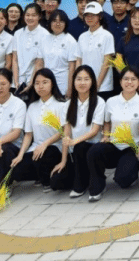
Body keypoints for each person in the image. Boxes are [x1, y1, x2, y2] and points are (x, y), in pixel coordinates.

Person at [87, 67, 139, 202]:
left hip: (132, 147)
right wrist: (106, 136)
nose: (129, 82)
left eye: (133, 79)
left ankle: (132, 175)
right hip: (113, 145)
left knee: (123, 181)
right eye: (126, 79)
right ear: (120, 82)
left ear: (138, 82)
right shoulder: (111, 101)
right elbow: (107, 122)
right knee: (94, 151)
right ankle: (97, 186)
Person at [10, 69, 67, 191]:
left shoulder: (61, 105)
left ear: (52, 84)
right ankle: (40, 175)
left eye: (45, 82)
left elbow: (63, 132)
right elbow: (28, 135)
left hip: (55, 148)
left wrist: (45, 144)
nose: (40, 86)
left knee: (44, 157)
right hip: (36, 149)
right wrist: (20, 155)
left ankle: (46, 180)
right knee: (16, 170)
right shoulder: (32, 107)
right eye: (37, 83)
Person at [56, 65, 105, 197]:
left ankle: (90, 185)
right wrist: (63, 160)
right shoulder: (67, 105)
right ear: (73, 82)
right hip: (75, 150)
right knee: (56, 182)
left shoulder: (99, 102)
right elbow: (66, 134)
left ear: (92, 82)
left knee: (81, 146)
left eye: (86, 79)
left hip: (94, 147)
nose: (82, 83)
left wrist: (75, 141)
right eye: (79, 79)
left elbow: (95, 131)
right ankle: (82, 180)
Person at [77, 2, 116, 99]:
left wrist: (97, 84)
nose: (89, 18)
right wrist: (78, 81)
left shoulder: (107, 36)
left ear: (100, 16)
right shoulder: (82, 37)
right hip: (84, 85)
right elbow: (79, 60)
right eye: (87, 15)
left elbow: (107, 62)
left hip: (103, 87)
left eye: (93, 15)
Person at [11, 3, 48, 95]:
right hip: (17, 82)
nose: (30, 18)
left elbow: (39, 63)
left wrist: (31, 83)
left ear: (39, 16)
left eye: (33, 15)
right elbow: (15, 59)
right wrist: (16, 81)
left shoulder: (45, 34)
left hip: (35, 81)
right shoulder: (18, 33)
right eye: (27, 15)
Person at [43, 10, 80, 96]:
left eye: (61, 21)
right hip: (46, 83)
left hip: (63, 84)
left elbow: (72, 67)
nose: (57, 24)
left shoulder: (71, 41)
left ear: (66, 23)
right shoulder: (44, 38)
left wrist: (70, 89)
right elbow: (40, 63)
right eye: (54, 21)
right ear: (50, 22)